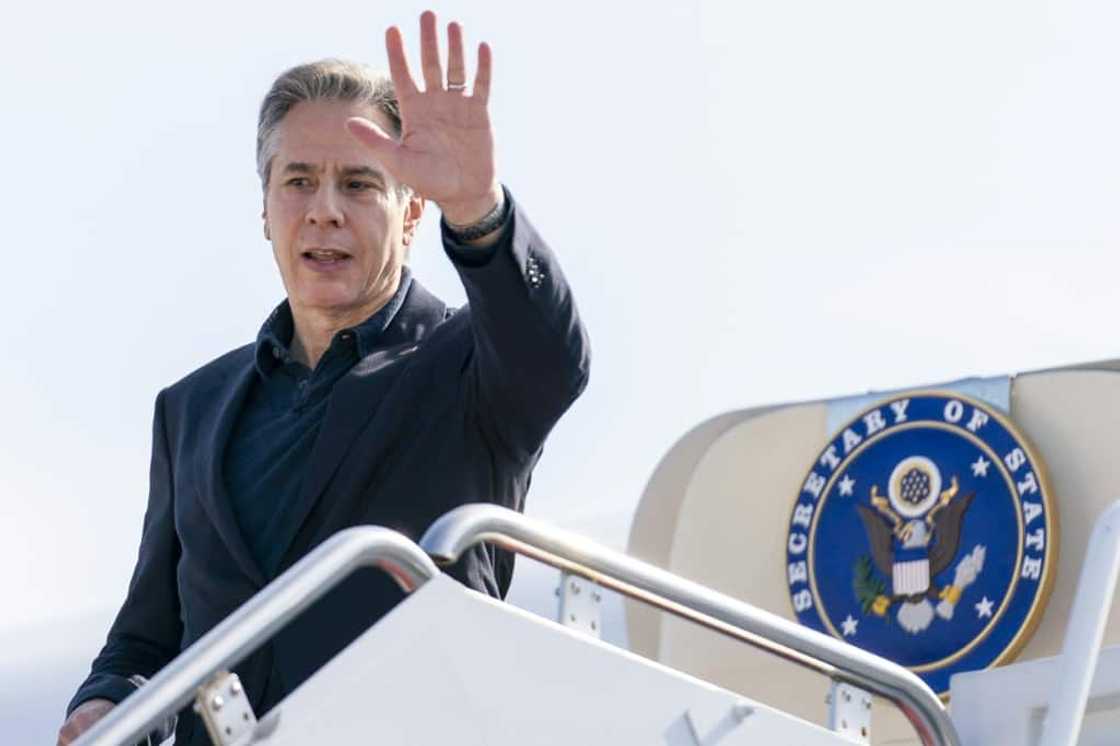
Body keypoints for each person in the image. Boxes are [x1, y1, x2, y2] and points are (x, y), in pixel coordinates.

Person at [57, 11, 589, 745]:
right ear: (266, 210)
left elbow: (552, 357)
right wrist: (105, 702)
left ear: (410, 216)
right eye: (298, 181)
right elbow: (146, 644)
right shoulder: (192, 409)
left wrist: (478, 211)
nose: (325, 211)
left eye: (360, 184)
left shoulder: (468, 365)